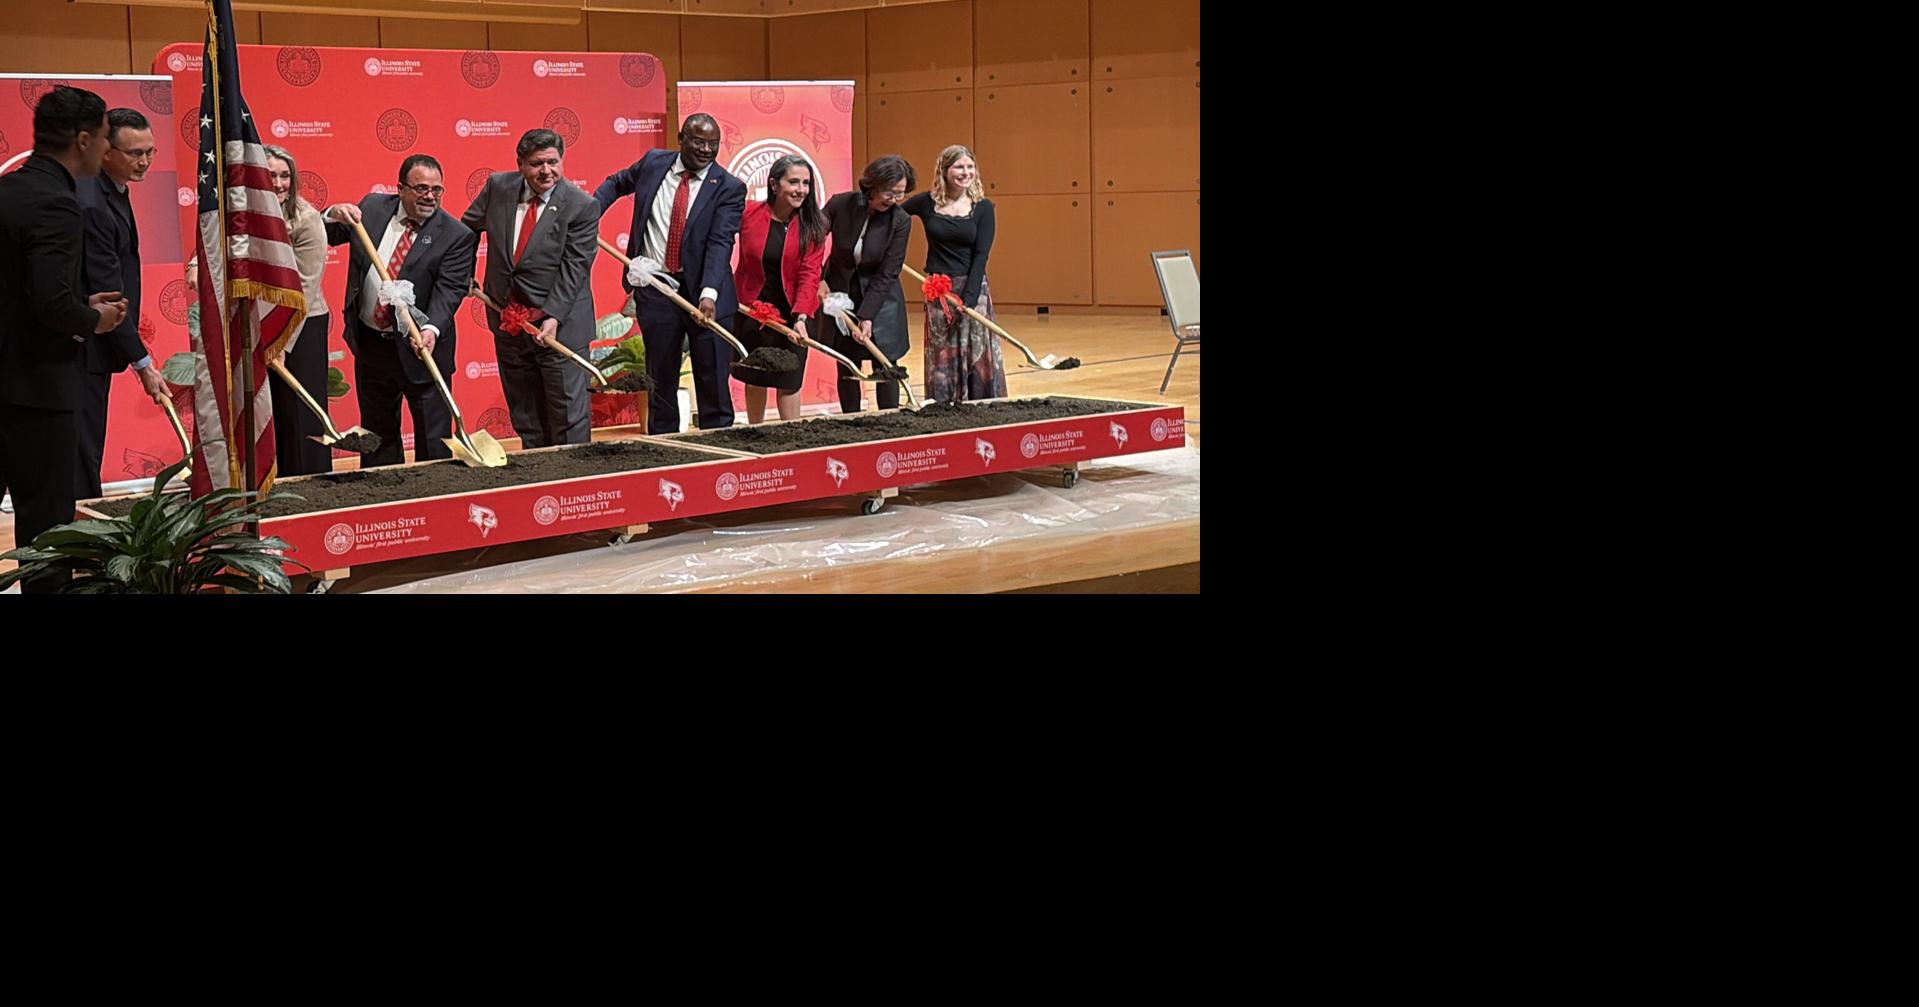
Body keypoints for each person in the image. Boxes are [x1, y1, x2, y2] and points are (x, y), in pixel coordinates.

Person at [0, 85, 127, 592]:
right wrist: (94, 319)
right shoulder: (58, 203)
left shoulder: (8, 192)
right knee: (47, 527)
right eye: (102, 137)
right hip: (37, 388)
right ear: (81, 139)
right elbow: (52, 305)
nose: (105, 148)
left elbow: (20, 293)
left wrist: (79, 306)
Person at [593, 113, 746, 433]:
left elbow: (720, 243)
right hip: (657, 290)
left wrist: (708, 294)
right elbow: (618, 182)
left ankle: (718, 455)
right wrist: (590, 213)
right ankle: (665, 454)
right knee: (660, 380)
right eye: (698, 141)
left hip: (708, 297)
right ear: (681, 138)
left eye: (713, 144)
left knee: (713, 383)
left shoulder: (730, 188)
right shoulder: (653, 163)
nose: (706, 149)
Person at [323, 153, 477, 467]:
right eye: (421, 188)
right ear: (401, 188)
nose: (429, 196)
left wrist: (430, 329)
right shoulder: (370, 209)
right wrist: (330, 214)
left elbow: (449, 292)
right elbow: (325, 234)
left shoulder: (456, 235)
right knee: (377, 437)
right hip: (371, 345)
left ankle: (434, 504)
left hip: (420, 350)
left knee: (434, 443)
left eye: (436, 190)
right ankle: (383, 505)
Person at [463, 128, 601, 448]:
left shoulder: (581, 206)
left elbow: (575, 268)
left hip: (559, 325)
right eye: (537, 163)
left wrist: (553, 315)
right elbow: (465, 229)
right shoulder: (499, 187)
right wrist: (465, 273)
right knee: (526, 414)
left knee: (567, 417)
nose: (546, 171)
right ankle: (537, 486)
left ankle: (571, 487)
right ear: (521, 164)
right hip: (508, 320)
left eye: (553, 162)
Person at [73, 107, 167, 498]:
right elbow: (109, 288)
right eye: (134, 153)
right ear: (105, 150)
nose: (144, 161)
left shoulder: (111, 189)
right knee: (80, 456)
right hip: (79, 348)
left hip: (95, 346)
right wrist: (143, 364)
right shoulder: (92, 201)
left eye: (149, 152)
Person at [899, 144, 1005, 403]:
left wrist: (968, 298)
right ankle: (945, 406)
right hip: (938, 291)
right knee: (942, 352)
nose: (965, 172)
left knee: (975, 350)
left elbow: (981, 255)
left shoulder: (982, 208)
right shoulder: (926, 203)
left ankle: (980, 404)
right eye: (959, 166)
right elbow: (894, 216)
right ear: (944, 170)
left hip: (972, 290)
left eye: (970, 167)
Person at [732, 155, 826, 423]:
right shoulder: (748, 214)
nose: (801, 190)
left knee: (789, 380)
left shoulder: (814, 225)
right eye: (793, 182)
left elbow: (810, 274)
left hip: (793, 313)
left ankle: (791, 437)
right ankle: (756, 431)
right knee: (756, 375)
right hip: (752, 309)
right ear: (774, 184)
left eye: (806, 183)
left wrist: (801, 317)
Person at [819, 155, 915, 413]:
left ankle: (888, 422)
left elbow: (888, 272)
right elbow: (811, 239)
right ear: (872, 185)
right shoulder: (841, 204)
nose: (892, 199)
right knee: (847, 363)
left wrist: (868, 316)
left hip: (882, 301)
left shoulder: (901, 221)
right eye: (888, 192)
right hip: (841, 295)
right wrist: (819, 279)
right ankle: (851, 422)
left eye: (900, 194)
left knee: (885, 364)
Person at [261, 143, 332, 475]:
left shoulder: (307, 219)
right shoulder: (243, 215)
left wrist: (281, 343)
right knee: (266, 413)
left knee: (299, 415)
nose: (278, 183)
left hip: (300, 325)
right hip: (257, 321)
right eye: (270, 175)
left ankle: (311, 487)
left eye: (285, 176)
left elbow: (303, 288)